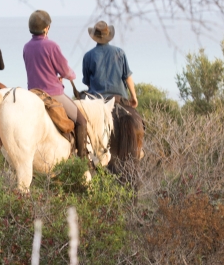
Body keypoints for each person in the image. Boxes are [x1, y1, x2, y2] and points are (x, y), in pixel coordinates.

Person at [23, 10, 88, 159]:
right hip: (53, 94)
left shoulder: (26, 47)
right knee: (81, 121)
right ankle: (82, 160)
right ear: (46, 28)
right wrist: (69, 75)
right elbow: (66, 71)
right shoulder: (51, 45)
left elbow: (36, 70)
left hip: (33, 94)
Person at [82, 20, 138, 108]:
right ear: (108, 35)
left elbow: (87, 82)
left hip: (96, 101)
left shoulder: (88, 56)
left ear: (94, 36)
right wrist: (134, 97)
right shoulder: (120, 53)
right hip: (119, 98)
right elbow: (127, 77)